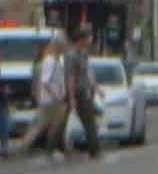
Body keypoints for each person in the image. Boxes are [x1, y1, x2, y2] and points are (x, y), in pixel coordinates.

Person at [26, 30, 71, 161]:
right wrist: (56, 96)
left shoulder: (56, 61)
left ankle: (51, 149)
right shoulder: (50, 61)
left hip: (54, 98)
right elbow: (45, 81)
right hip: (51, 99)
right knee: (47, 125)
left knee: (50, 124)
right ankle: (44, 149)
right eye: (63, 46)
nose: (65, 49)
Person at [67, 26, 103, 161]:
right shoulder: (71, 55)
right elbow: (70, 77)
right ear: (80, 40)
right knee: (87, 120)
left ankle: (94, 150)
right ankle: (95, 151)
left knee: (89, 120)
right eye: (87, 38)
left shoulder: (83, 55)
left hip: (83, 90)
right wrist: (71, 97)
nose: (89, 41)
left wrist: (97, 88)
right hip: (75, 91)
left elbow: (87, 75)